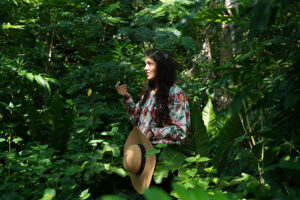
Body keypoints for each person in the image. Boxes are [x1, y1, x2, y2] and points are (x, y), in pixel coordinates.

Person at [115, 49, 190, 145]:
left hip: (162, 153)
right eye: (145, 64)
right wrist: (127, 97)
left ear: (161, 67)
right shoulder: (149, 91)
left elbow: (181, 131)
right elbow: (136, 119)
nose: (145, 68)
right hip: (142, 148)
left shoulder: (175, 93)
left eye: (150, 64)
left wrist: (154, 132)